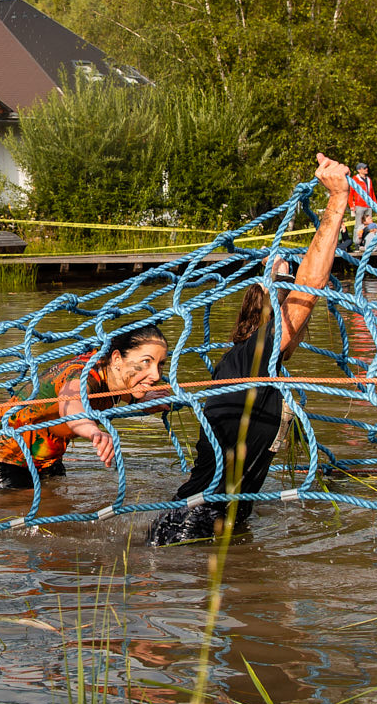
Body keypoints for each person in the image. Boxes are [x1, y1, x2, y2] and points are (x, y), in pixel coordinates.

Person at [146, 152, 352, 546]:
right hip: (192, 527)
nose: (301, 323)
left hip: (221, 526)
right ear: (271, 314)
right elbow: (308, 290)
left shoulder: (250, 366)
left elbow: (299, 303)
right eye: (286, 299)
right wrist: (337, 202)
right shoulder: (249, 359)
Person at [0, 324, 170, 490]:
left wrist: (140, 400)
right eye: (146, 362)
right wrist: (93, 432)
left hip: (45, 462)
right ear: (117, 358)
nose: (156, 375)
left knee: (59, 518)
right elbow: (70, 404)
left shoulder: (116, 379)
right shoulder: (83, 374)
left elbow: (114, 392)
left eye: (160, 364)